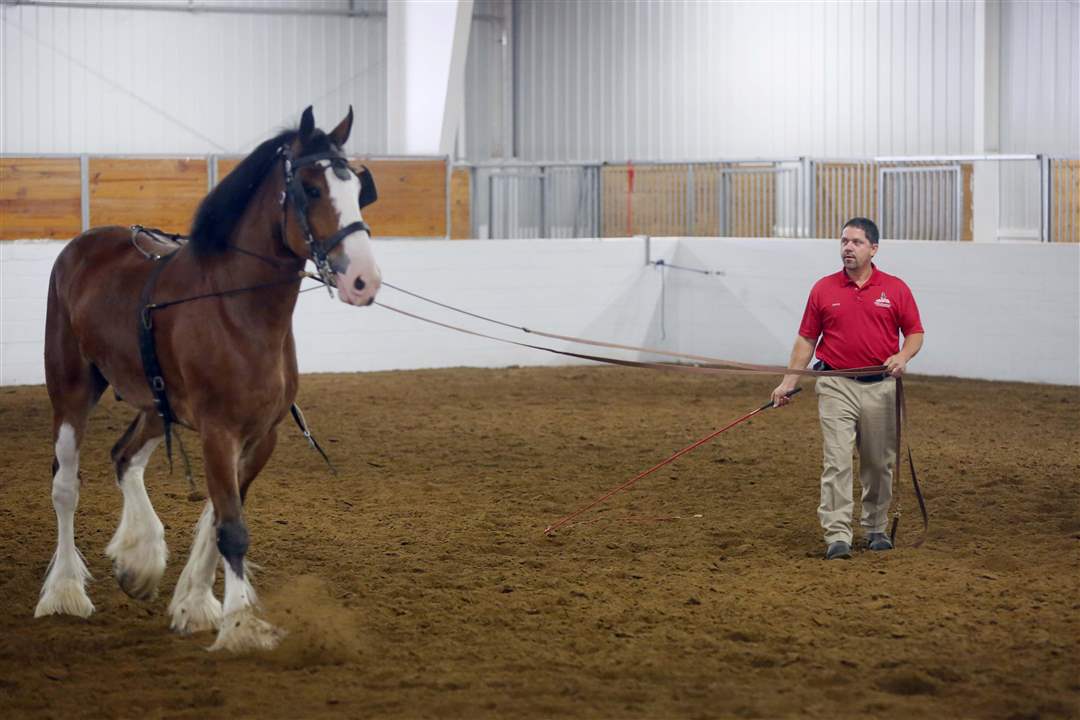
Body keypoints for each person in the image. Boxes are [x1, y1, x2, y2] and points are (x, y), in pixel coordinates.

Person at [771, 217, 924, 560]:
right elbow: (807, 338)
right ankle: (837, 533)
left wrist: (902, 355)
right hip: (835, 384)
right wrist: (788, 382)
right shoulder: (823, 289)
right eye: (844, 242)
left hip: (881, 387)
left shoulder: (895, 289)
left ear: (873, 248)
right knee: (837, 460)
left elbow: (915, 332)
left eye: (855, 242)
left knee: (878, 463)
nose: (847, 248)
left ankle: (875, 528)